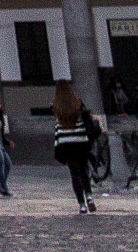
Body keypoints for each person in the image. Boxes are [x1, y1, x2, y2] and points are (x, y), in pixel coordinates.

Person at [50, 79, 101, 214]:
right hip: (80, 140)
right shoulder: (78, 102)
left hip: (65, 142)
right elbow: (85, 118)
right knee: (84, 171)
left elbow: (57, 121)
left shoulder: (54, 105)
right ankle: (89, 196)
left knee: (74, 173)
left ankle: (81, 205)